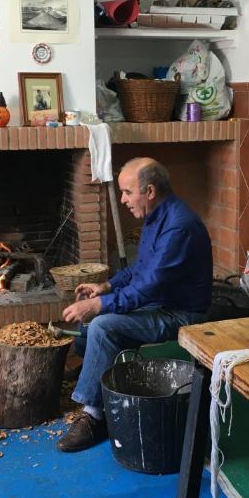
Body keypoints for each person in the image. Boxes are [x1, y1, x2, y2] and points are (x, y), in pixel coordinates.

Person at [57, 158, 213, 452]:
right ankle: (91, 377)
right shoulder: (156, 217)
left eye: (127, 192)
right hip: (158, 302)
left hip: (181, 314)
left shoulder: (179, 228)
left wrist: (100, 305)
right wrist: (106, 286)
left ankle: (94, 417)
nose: (122, 199)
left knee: (101, 323)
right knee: (94, 313)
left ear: (150, 191)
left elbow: (148, 287)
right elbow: (141, 268)